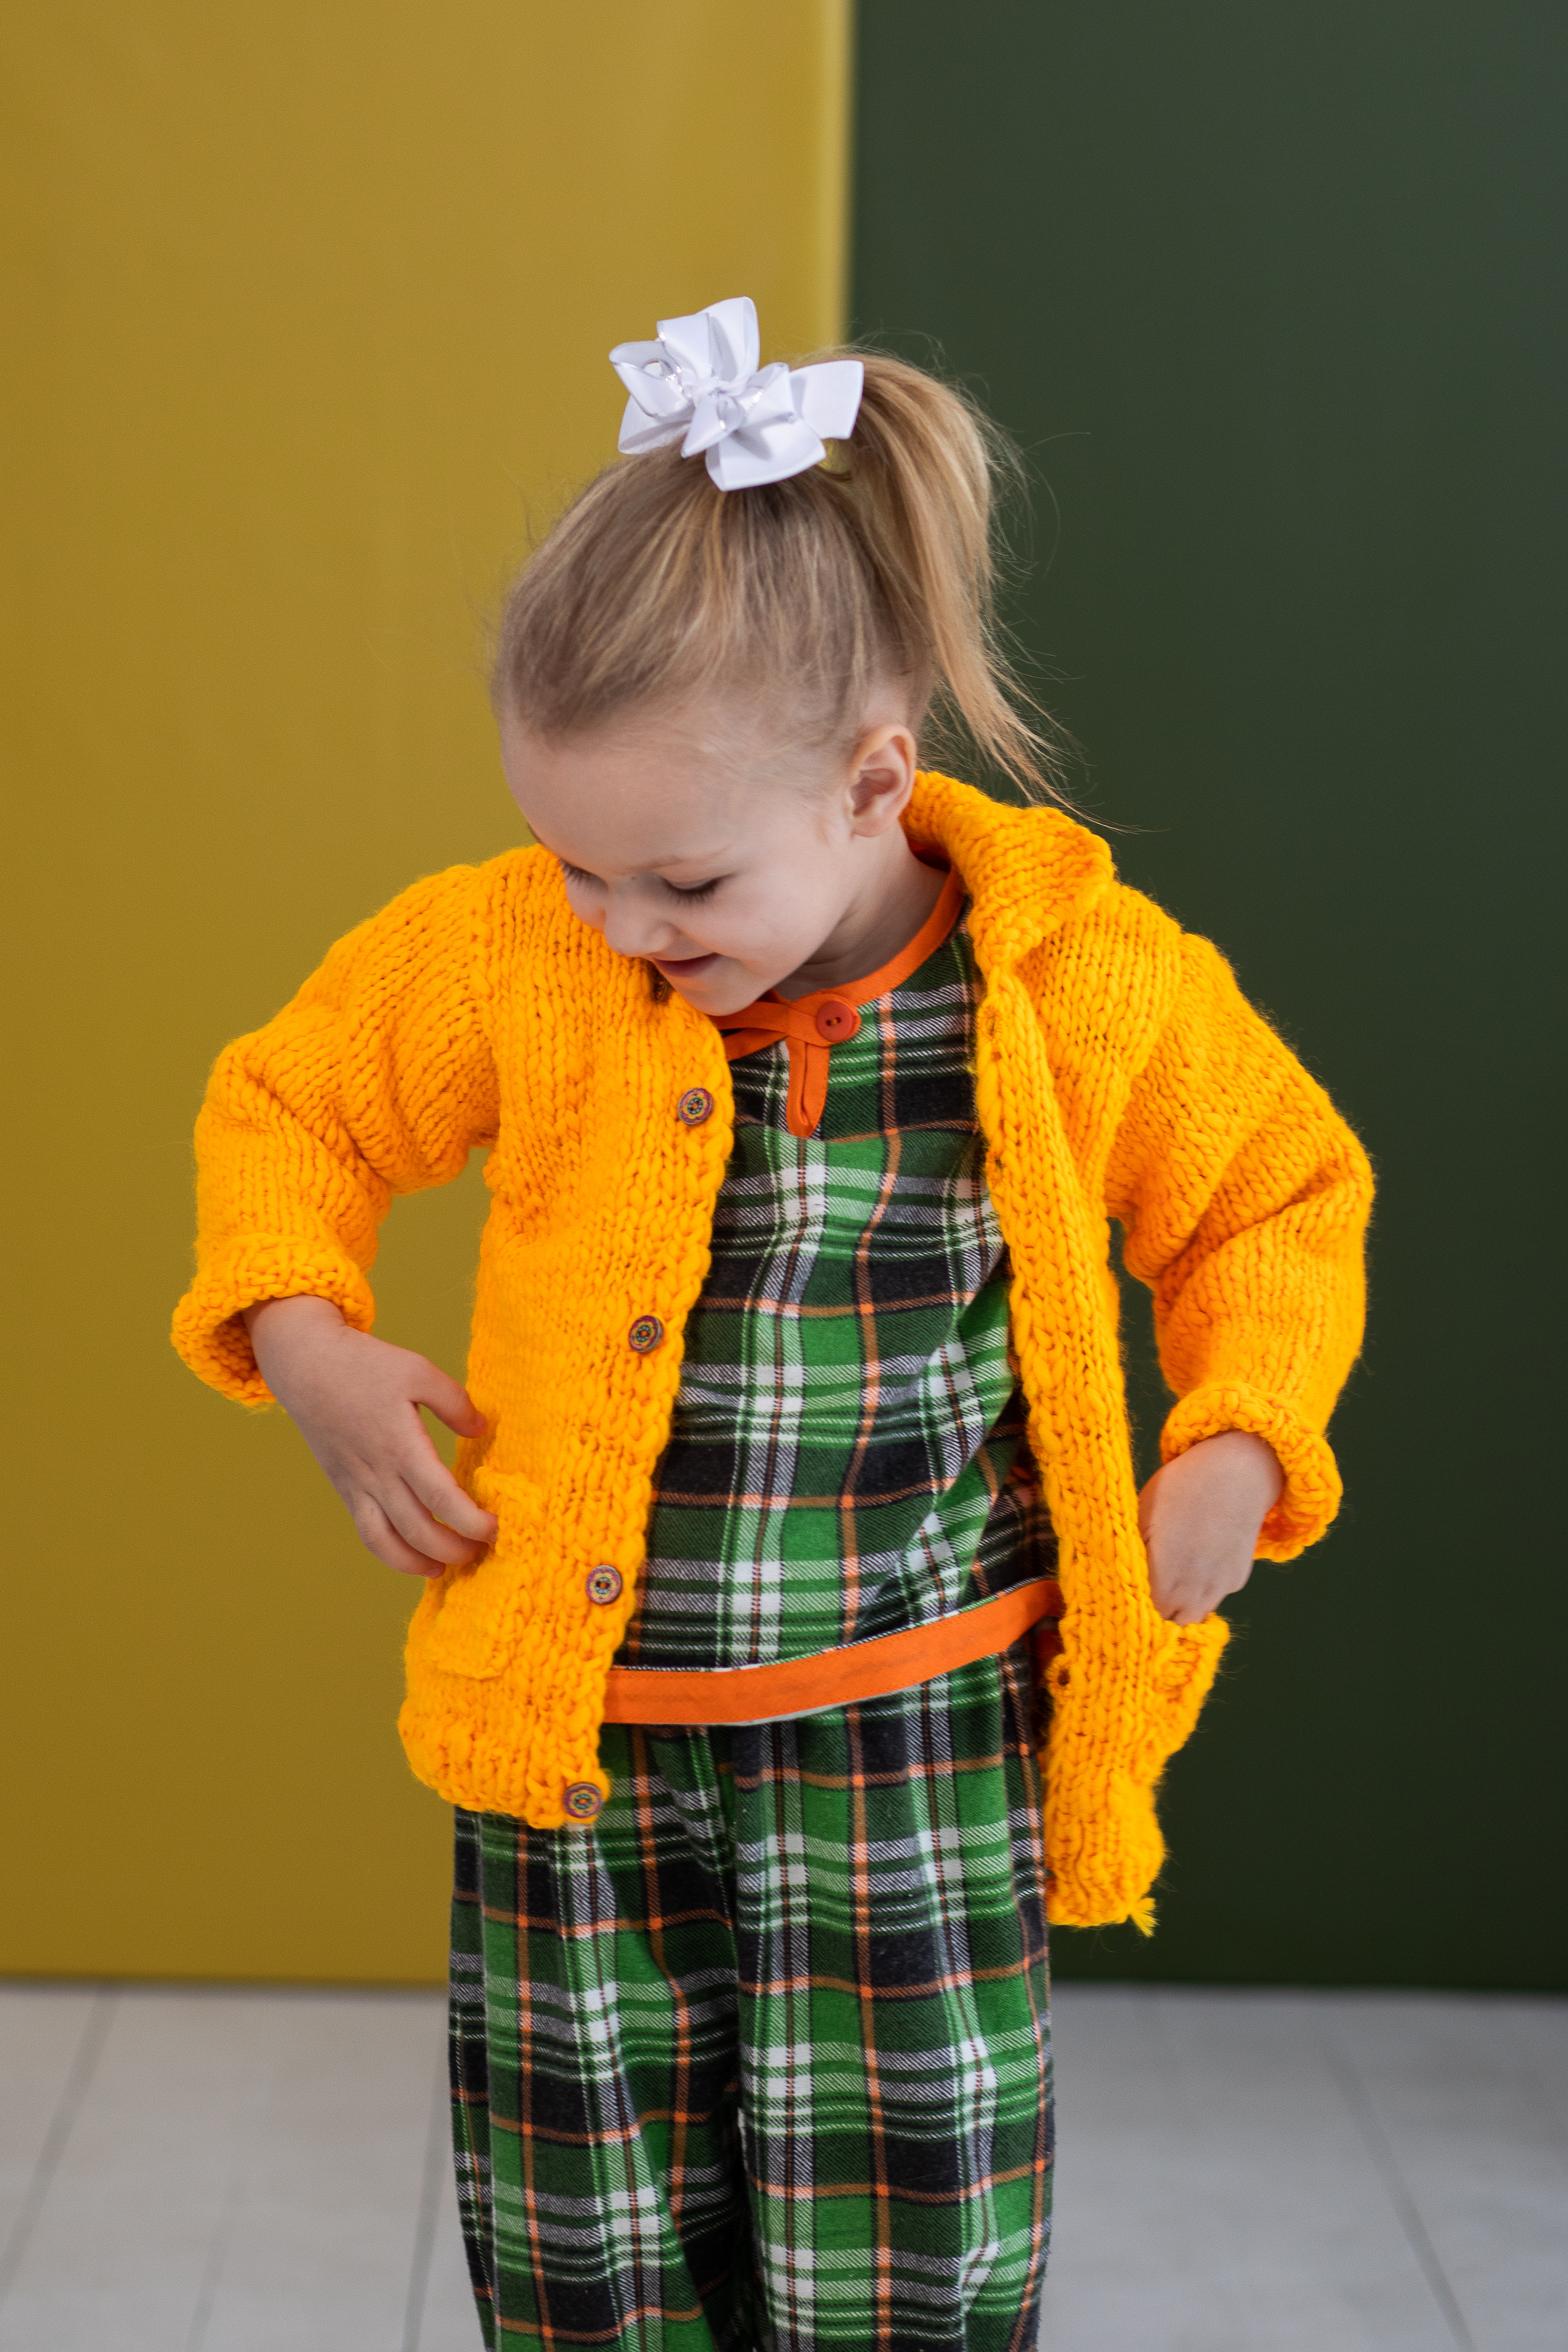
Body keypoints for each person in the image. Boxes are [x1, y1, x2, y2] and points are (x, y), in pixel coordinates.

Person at [172, 296, 1372, 2351]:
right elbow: (292, 1104)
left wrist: (1243, 1435)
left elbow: (1276, 1193)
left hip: (914, 1752)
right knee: (588, 2265)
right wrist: (302, 1330)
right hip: (579, 1769)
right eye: (575, 867)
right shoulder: (523, 958)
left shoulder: (1078, 984)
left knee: (909, 2262)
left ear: (872, 782)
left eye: (684, 883)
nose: (624, 928)